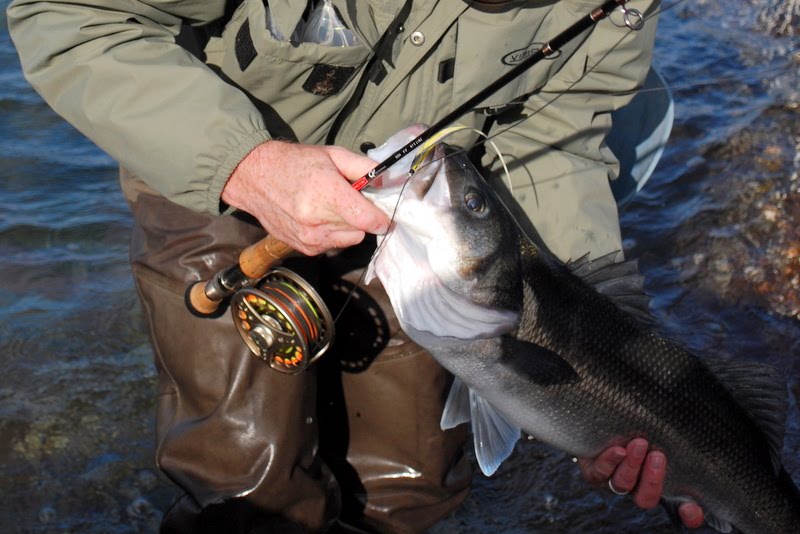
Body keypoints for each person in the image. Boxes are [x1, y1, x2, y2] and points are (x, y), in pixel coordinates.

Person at [8, 0, 706, 532]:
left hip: (428, 230)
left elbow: (556, 144)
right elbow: (71, 16)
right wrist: (245, 165)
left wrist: (599, 380)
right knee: (245, 481)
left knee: (412, 486)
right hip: (217, 180)